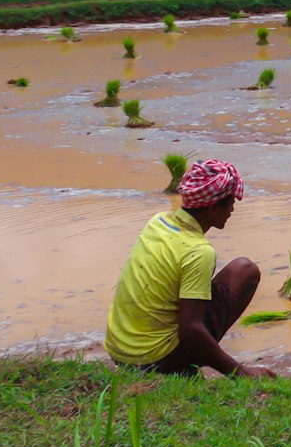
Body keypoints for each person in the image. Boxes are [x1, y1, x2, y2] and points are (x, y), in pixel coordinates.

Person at [105, 158, 274, 378]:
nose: (233, 208)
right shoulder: (199, 252)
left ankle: (180, 362)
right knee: (245, 270)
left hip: (119, 352)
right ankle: (180, 368)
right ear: (213, 207)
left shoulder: (158, 222)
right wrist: (240, 372)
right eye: (231, 202)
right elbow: (190, 329)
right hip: (155, 360)